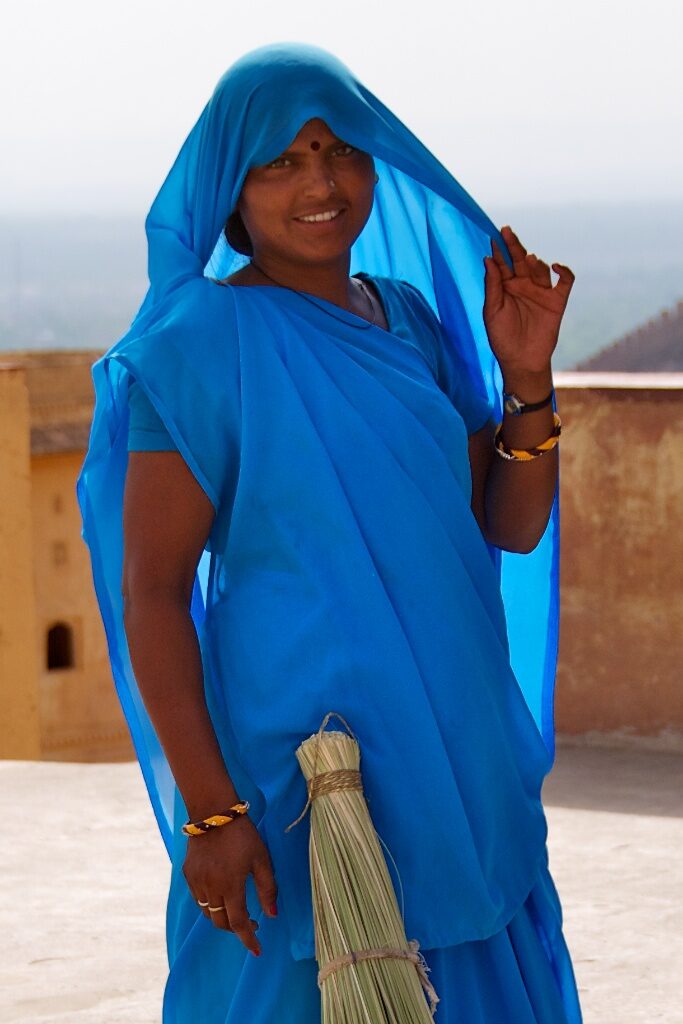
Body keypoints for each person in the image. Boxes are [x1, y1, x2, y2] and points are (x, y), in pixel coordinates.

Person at [76, 42, 583, 1023]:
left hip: (454, 745)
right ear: (232, 185)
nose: (320, 181)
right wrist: (212, 809)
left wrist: (525, 381)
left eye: (340, 150)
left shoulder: (407, 321)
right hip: (306, 776)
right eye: (281, 159)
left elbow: (506, 527)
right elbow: (152, 588)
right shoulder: (197, 343)